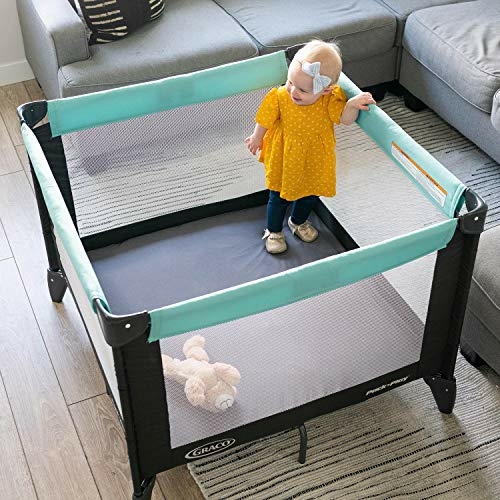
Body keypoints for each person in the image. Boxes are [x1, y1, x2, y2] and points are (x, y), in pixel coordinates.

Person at [245, 40, 376, 254]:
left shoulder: (330, 100)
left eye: (303, 90)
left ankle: (298, 221)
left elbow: (345, 119)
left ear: (326, 90)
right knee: (278, 196)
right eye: (290, 82)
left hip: (315, 156)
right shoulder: (280, 96)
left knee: (310, 193)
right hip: (285, 156)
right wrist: (257, 137)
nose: (293, 91)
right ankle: (274, 231)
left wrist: (351, 104)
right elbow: (265, 119)